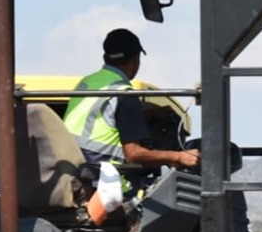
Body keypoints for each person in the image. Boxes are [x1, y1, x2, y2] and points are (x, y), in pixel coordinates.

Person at [62, 28, 199, 177]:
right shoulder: (125, 94)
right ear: (135, 60)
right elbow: (133, 154)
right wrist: (179, 156)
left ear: (105, 57)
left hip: (73, 170)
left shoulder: (86, 83)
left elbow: (98, 122)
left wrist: (146, 115)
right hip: (102, 179)